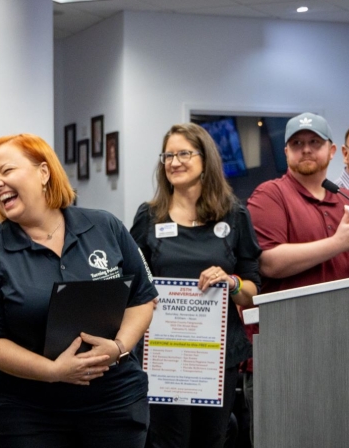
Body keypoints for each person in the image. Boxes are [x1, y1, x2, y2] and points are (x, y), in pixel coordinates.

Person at [0, 133, 157, 447]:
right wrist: (53, 371)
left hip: (113, 402)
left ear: (43, 172)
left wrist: (119, 347)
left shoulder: (105, 228)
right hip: (25, 410)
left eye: (6, 171)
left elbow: (142, 299)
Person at [130, 123, 261, 448]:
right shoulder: (150, 217)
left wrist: (231, 282)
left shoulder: (234, 216)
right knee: (165, 441)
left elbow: (253, 291)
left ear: (206, 160)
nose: (174, 162)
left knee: (211, 440)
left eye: (183, 154)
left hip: (215, 356)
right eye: (168, 155)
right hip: (163, 353)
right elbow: (129, 282)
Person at [243, 112, 349, 444]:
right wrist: (336, 244)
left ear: (332, 151)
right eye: (297, 144)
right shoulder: (269, 195)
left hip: (342, 348)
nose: (306, 150)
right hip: (285, 351)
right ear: (286, 153)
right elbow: (269, 262)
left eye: (315, 143)